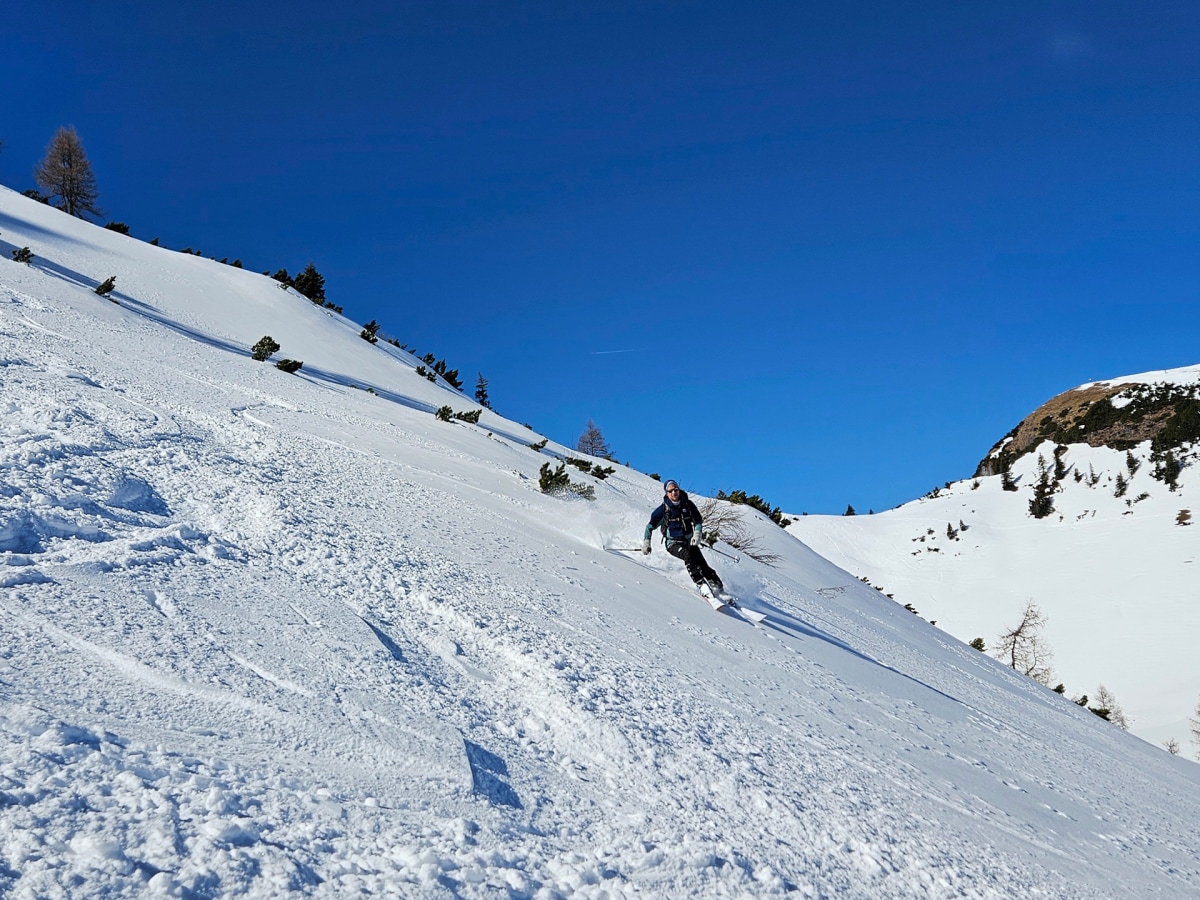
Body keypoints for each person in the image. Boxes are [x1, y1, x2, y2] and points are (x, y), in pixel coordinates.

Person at [642, 480, 724, 598]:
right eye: (671, 491)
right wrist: (646, 543)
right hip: (673, 544)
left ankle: (719, 588)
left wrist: (697, 534)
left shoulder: (688, 505)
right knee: (688, 557)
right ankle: (701, 584)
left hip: (690, 541)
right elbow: (650, 526)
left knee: (702, 565)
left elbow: (698, 521)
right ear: (667, 493)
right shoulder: (663, 510)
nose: (674, 492)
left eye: (676, 490)